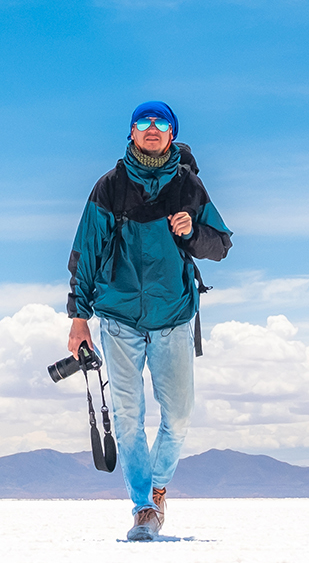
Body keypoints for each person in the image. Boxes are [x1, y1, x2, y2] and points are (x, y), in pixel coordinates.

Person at [66, 101, 232, 540]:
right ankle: (144, 507)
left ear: (172, 134)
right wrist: (78, 319)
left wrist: (191, 233)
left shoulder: (188, 187)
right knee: (127, 418)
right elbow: (84, 256)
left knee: (177, 416)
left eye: (161, 123)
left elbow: (221, 246)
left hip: (173, 317)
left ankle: (158, 487)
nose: (153, 128)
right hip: (118, 318)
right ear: (133, 133)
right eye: (145, 122)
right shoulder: (110, 187)